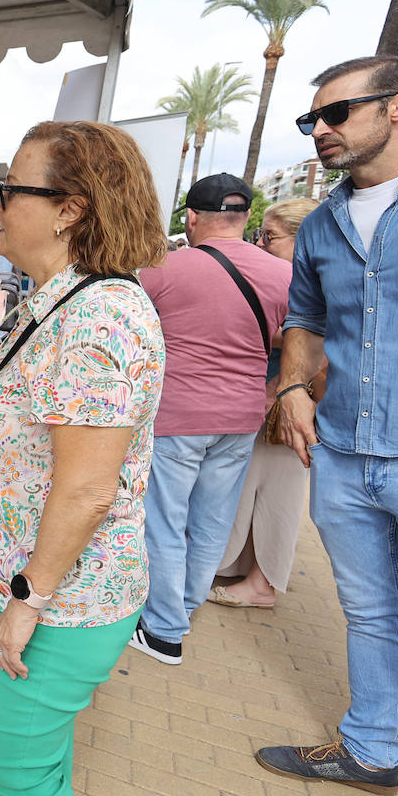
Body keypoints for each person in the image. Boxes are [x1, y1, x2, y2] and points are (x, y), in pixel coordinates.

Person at [0, 121, 167, 796]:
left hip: (60, 596)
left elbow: (90, 488)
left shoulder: (100, 316)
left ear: (70, 208)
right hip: (38, 582)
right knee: (40, 755)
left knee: (15, 769)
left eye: (11, 189)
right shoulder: (62, 301)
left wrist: (28, 598)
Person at [258, 56, 398, 796]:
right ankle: (370, 750)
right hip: (342, 452)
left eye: (335, 114)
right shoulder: (323, 223)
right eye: (311, 121)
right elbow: (305, 317)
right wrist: (293, 385)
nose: (320, 132)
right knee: (370, 612)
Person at [126, 173, 290, 666]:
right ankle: (183, 608)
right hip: (241, 416)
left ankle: (163, 629)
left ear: (192, 218)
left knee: (165, 520)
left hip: (178, 414)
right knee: (212, 522)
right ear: (245, 219)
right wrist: (270, 391)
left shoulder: (162, 269)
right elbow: (310, 340)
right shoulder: (283, 274)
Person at [211, 197, 321, 608]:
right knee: (255, 486)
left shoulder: (316, 279)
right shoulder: (299, 277)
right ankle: (248, 570)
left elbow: (315, 342)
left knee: (278, 493)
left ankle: (263, 583)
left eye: (270, 237)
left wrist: (277, 388)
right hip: (274, 394)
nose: (261, 244)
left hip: (287, 398)